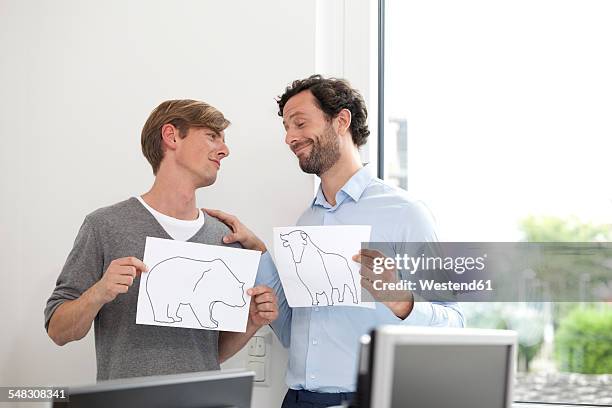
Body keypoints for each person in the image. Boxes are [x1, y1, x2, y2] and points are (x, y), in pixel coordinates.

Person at [206, 75, 465, 408]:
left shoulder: (404, 213)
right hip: (298, 400)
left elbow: (454, 323)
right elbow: (293, 333)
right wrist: (257, 250)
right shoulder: (306, 223)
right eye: (286, 127)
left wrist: (402, 301)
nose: (290, 138)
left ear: (341, 121)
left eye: (299, 123)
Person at [44, 99, 278, 381]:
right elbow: (58, 330)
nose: (225, 150)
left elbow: (208, 354)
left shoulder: (224, 238)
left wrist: (251, 322)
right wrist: (99, 292)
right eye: (212, 136)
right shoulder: (104, 226)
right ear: (171, 136)